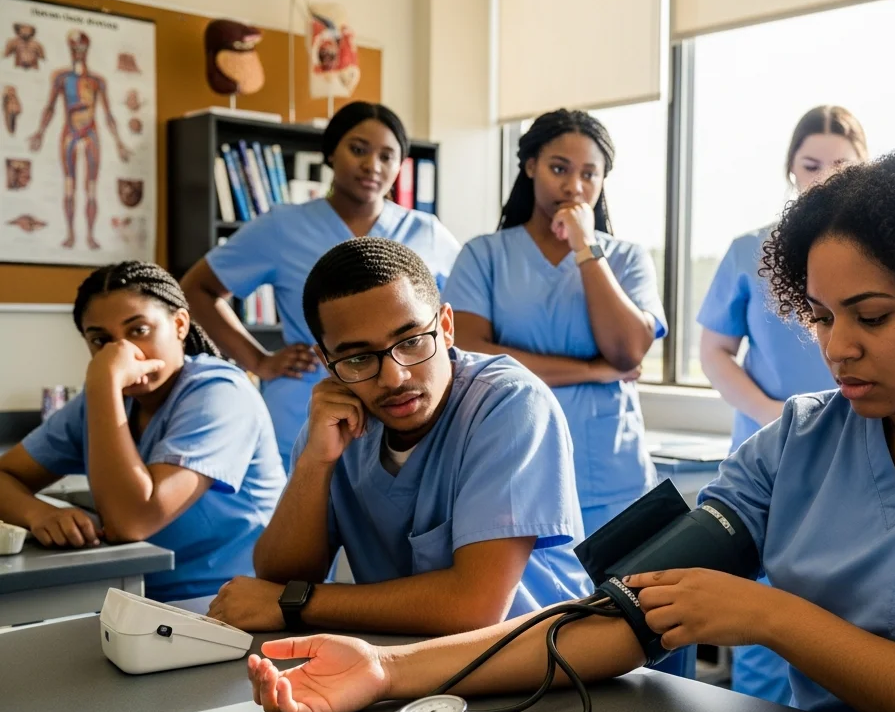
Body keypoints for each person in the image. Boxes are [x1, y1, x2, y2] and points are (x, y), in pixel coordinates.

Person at [246, 142, 895, 712]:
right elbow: (626, 614)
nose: (835, 346)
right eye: (821, 315)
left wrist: (767, 615)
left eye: (870, 316)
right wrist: (385, 671)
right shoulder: (797, 440)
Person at [207, 239, 591, 636]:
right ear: (328, 362)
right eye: (357, 358)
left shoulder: (509, 404)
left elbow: (475, 606)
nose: (394, 377)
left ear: (445, 326)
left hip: (539, 665)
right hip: (400, 667)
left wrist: (298, 606)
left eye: (410, 342)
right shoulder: (339, 417)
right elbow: (279, 577)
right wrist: (314, 464)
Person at [181, 101, 461, 470]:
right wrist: (259, 361)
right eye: (358, 149)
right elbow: (196, 288)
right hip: (302, 409)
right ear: (330, 151)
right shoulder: (282, 227)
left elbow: (463, 317)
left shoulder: (427, 232)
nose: (372, 165)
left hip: (401, 403)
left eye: (387, 156)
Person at [695, 105, 867, 706]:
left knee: (845, 622)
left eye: (840, 165)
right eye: (810, 164)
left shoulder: (883, 254)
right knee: (759, 615)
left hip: (862, 448)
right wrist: (775, 414)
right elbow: (714, 349)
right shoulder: (751, 251)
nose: (823, 177)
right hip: (771, 450)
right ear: (790, 170)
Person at [0, 262, 282, 602]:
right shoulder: (107, 398)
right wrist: (39, 513)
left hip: (229, 601)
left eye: (138, 330)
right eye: (101, 340)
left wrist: (104, 382)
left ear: (179, 325)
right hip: (133, 594)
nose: (122, 354)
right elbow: (5, 475)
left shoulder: (221, 394)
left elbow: (130, 522)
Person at [443, 109, 666, 537]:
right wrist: (591, 371)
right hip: (513, 457)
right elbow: (469, 355)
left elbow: (628, 351)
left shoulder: (626, 259)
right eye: (559, 168)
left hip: (610, 472)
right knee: (530, 604)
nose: (574, 186)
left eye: (589, 174)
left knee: (621, 599)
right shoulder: (484, 256)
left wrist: (585, 245)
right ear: (530, 167)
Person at [28, 29, 132, 250]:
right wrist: (39, 132)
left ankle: (91, 236)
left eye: (81, 48)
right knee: (69, 186)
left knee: (91, 187)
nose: (78, 53)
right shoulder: (62, 78)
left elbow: (108, 114)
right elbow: (50, 107)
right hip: (70, 133)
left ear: (87, 49)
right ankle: (70, 235)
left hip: (91, 132)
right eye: (74, 48)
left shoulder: (97, 81)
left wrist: (119, 143)